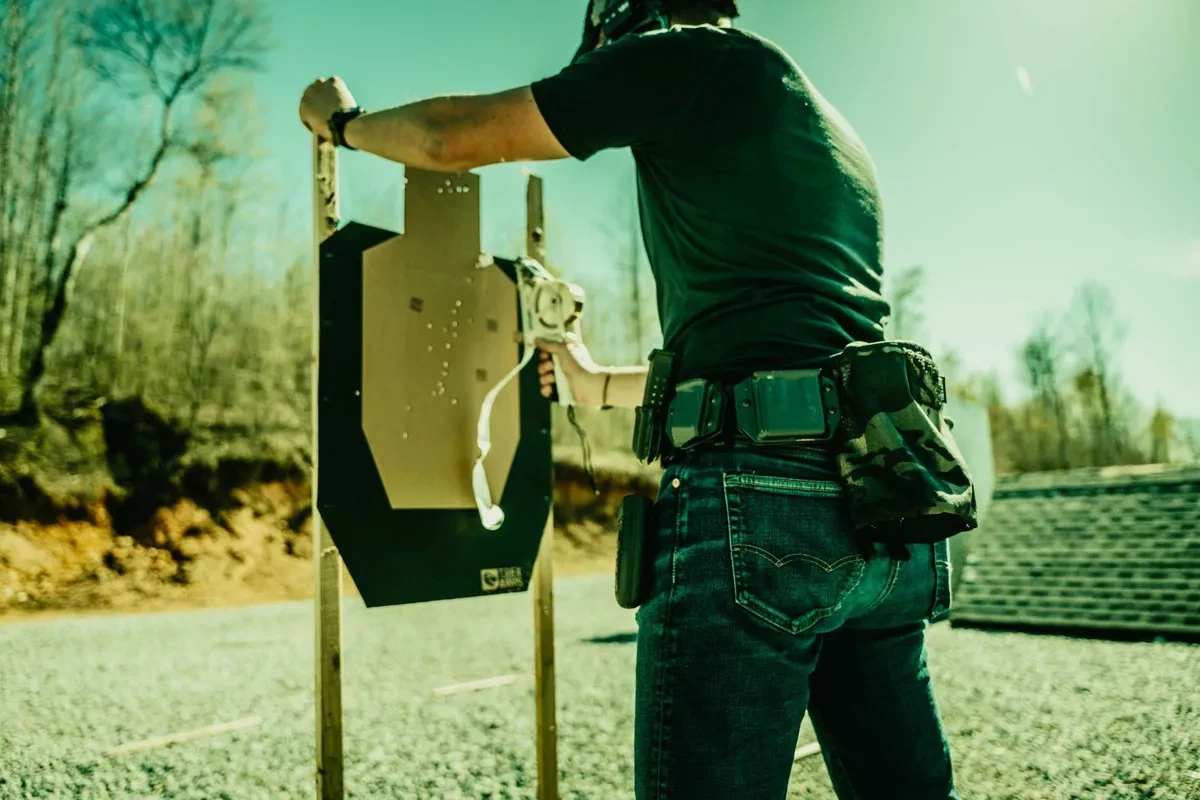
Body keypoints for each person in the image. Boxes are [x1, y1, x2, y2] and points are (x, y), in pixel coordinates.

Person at [299, 1, 961, 798]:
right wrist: (591, 381)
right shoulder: (831, 136)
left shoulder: (686, 57)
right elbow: (788, 361)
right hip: (882, 507)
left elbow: (449, 139)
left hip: (765, 509)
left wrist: (343, 124)